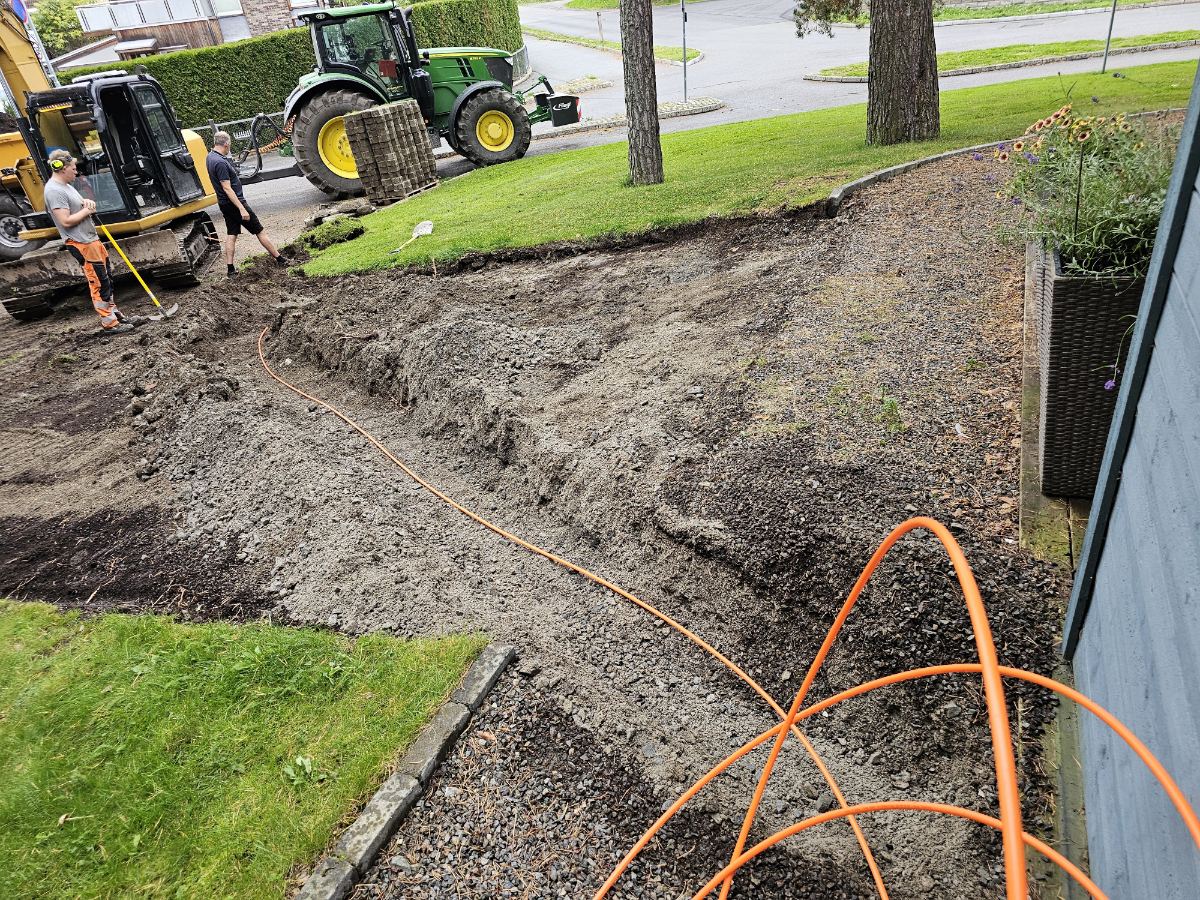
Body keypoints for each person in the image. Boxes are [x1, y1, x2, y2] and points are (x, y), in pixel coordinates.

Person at [43, 149, 133, 332]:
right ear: (61, 168)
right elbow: (65, 221)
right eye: (73, 169)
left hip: (90, 239)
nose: (76, 172)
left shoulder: (66, 187)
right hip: (80, 242)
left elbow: (75, 206)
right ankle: (109, 324)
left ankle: (115, 315)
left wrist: (86, 203)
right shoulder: (54, 191)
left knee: (106, 278)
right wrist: (87, 211)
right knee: (98, 282)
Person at [206, 131, 286, 277]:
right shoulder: (220, 162)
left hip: (224, 204)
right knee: (259, 230)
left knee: (231, 234)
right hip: (234, 204)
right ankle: (280, 259)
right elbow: (227, 188)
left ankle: (230, 269)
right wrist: (242, 208)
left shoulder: (210, 157)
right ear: (227, 145)